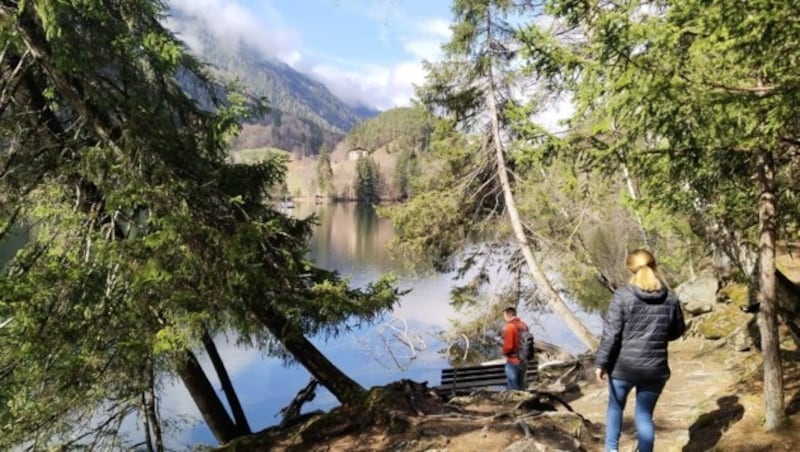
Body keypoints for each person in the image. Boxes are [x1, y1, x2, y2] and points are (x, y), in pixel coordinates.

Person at [595, 249, 686, 452]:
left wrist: (601, 363)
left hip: (623, 368)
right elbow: (677, 331)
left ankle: (611, 450)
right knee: (644, 415)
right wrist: (657, 335)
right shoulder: (670, 298)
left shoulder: (622, 296)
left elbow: (612, 334)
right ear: (654, 266)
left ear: (630, 269)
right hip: (655, 369)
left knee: (615, 408)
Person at [501, 306, 530, 390]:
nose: (504, 318)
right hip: (524, 360)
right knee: (521, 386)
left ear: (508, 315)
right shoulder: (524, 325)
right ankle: (524, 402)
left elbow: (509, 346)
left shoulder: (510, 327)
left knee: (513, 388)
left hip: (513, 361)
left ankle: (515, 402)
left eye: (504, 316)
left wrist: (503, 351)